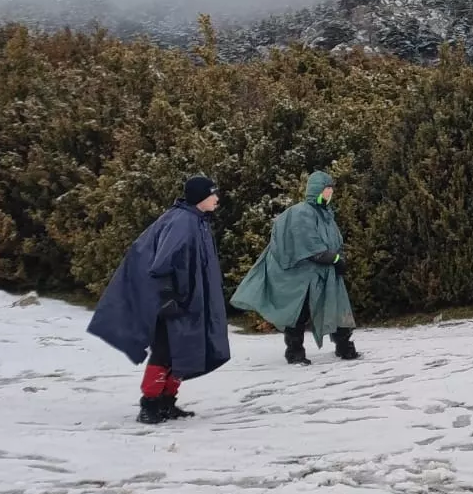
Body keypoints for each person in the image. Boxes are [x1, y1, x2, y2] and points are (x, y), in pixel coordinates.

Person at [87, 176, 231, 425]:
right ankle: (150, 405)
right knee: (165, 350)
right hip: (172, 300)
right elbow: (162, 262)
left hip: (187, 299)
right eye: (212, 194)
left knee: (181, 350)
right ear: (200, 198)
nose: (217, 199)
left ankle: (167, 402)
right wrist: (167, 297)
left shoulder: (197, 220)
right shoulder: (182, 222)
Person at [230, 170, 359, 365]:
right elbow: (309, 244)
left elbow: (333, 241)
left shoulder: (326, 215)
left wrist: (337, 258)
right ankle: (295, 352)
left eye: (331, 189)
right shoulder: (301, 212)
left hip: (324, 273)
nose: (330, 192)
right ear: (316, 190)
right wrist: (335, 258)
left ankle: (344, 347)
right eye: (326, 189)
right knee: (299, 314)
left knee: (337, 307)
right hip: (302, 277)